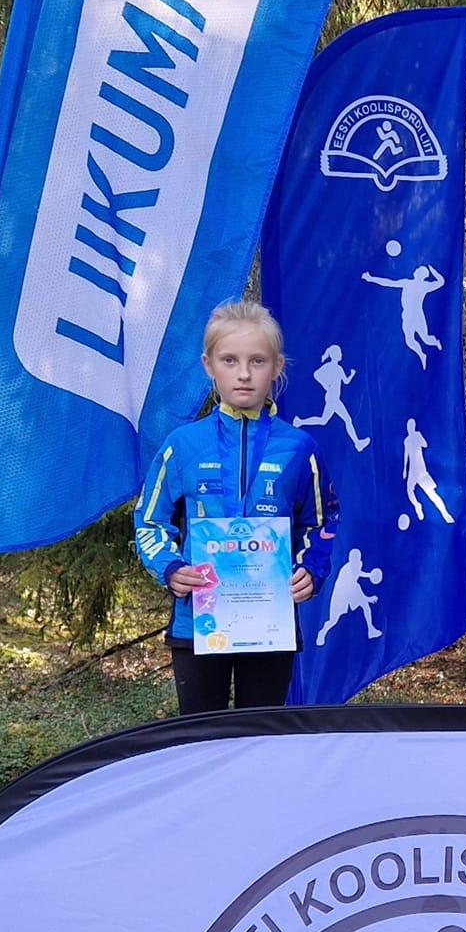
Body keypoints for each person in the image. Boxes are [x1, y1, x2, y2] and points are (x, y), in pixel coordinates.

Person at [134, 301, 336, 714]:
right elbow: (150, 520)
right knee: (200, 736)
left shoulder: (300, 448)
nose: (244, 373)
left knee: (258, 736)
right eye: (230, 360)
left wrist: (310, 570)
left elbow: (321, 523)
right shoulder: (182, 445)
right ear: (209, 365)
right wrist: (170, 567)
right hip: (199, 621)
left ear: (276, 367)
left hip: (269, 621)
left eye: (257, 361)